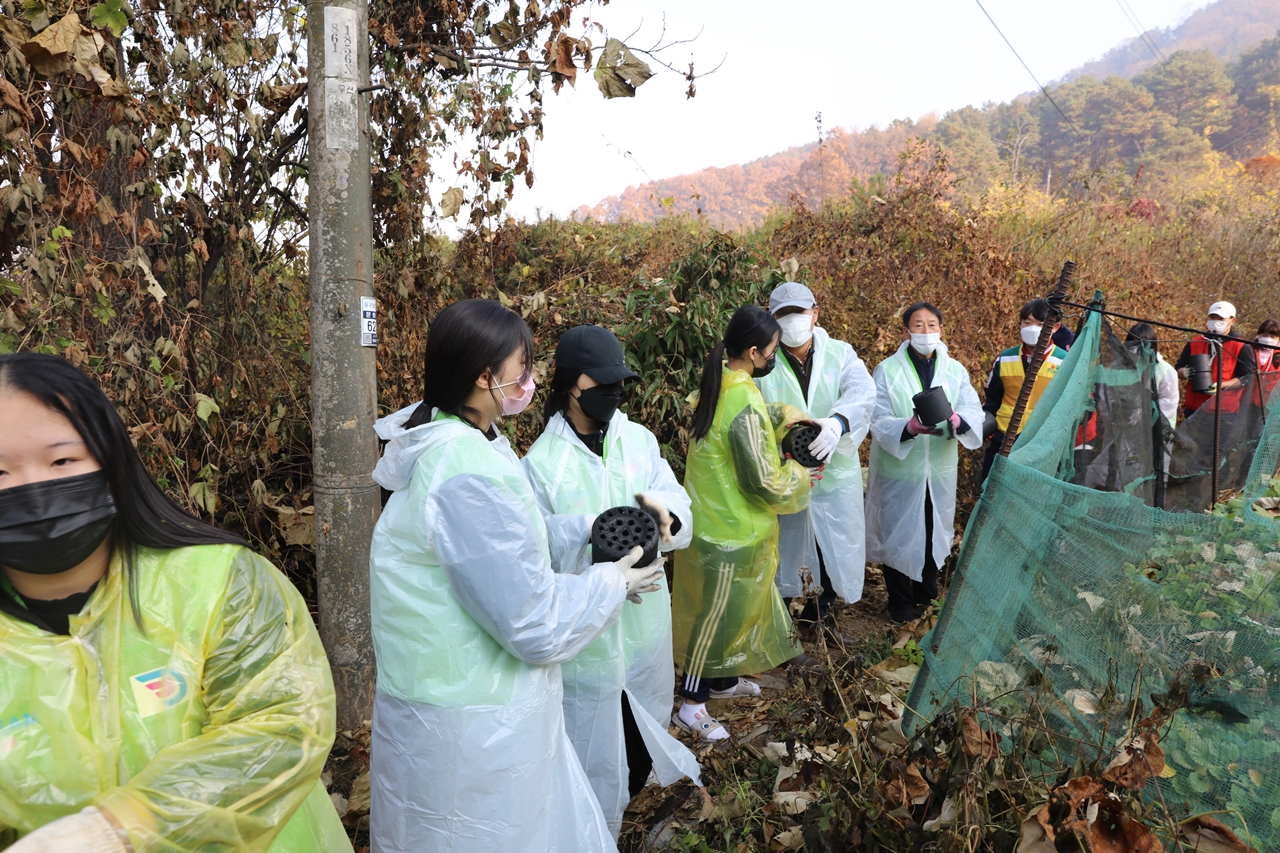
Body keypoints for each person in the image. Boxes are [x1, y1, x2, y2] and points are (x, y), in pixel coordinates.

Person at [0, 353, 348, 853]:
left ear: (109, 459)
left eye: (61, 461)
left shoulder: (219, 581)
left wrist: (117, 829)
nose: (32, 490)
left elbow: (284, 725)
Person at [367, 300, 665, 853]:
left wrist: (584, 526)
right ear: (485, 377)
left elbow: (504, 545)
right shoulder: (463, 472)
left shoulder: (458, 441)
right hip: (475, 732)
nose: (529, 381)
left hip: (448, 712)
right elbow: (534, 620)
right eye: (522, 369)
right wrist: (611, 584)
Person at [521, 325, 701, 836]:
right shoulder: (542, 464)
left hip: (644, 627)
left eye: (619, 381)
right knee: (590, 751)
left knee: (642, 743)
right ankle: (596, 834)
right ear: (571, 386)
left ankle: (623, 808)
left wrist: (668, 518)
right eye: (602, 383)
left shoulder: (637, 441)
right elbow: (536, 549)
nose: (614, 393)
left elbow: (677, 503)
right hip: (588, 641)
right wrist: (584, 533)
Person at [671, 306, 814, 741]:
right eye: (772, 351)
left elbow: (755, 419)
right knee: (712, 618)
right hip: (728, 530)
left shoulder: (725, 382)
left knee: (732, 611)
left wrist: (787, 417)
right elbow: (765, 480)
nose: (775, 357)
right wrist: (804, 474)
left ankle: (723, 679)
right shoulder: (739, 396)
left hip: (721, 522)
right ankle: (691, 704)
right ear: (754, 352)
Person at [754, 281, 875, 629]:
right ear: (771, 318)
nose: (792, 322)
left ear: (815, 313)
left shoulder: (839, 352)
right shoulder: (762, 359)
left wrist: (838, 422)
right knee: (782, 541)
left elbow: (863, 389)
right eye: (783, 315)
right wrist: (780, 450)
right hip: (785, 469)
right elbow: (752, 411)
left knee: (832, 542)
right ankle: (778, 624)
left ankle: (820, 616)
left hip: (834, 471)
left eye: (799, 313)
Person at [866, 303, 984, 623]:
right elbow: (877, 419)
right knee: (897, 532)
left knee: (933, 530)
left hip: (940, 470)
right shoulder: (887, 370)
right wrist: (909, 427)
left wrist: (959, 421)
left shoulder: (955, 370)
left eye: (932, 325)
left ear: (941, 330)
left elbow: (973, 410)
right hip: (900, 469)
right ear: (906, 331)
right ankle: (901, 601)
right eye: (918, 325)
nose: (926, 331)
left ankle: (926, 594)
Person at [980, 298, 1069, 479]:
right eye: (1027, 323)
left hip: (1043, 445)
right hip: (1003, 440)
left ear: (1055, 327)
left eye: (1040, 324)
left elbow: (1072, 407)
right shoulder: (1005, 358)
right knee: (990, 493)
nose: (1032, 328)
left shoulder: (1065, 361)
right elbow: (992, 400)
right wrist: (991, 432)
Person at [1175, 301, 1256, 417]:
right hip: (1194, 408)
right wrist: (1185, 372)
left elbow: (1246, 378)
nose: (1216, 322)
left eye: (1221, 319)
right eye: (1213, 317)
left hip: (1224, 410)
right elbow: (1178, 368)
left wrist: (1222, 385)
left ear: (1232, 321)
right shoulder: (1194, 342)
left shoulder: (1241, 346)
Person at [1127, 323, 1179, 430]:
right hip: (1129, 427)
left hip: (1158, 429)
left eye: (1140, 345)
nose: (1136, 350)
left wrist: (1145, 414)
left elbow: (1169, 402)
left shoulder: (1165, 370)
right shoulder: (1124, 367)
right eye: (1133, 344)